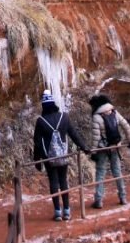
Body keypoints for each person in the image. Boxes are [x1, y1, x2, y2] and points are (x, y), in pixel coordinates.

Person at [33, 90, 89, 221]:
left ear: (43, 106)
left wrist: (37, 160)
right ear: (54, 103)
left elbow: (37, 143)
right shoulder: (64, 117)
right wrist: (84, 147)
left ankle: (57, 212)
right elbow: (74, 134)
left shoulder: (41, 121)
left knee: (53, 182)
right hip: (63, 155)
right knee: (63, 181)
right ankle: (67, 211)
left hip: (49, 157)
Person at [88, 94, 130, 209]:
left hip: (103, 149)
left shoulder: (97, 117)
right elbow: (126, 125)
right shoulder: (114, 112)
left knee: (100, 173)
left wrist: (93, 152)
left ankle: (99, 200)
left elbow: (96, 138)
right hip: (115, 146)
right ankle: (123, 197)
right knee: (117, 172)